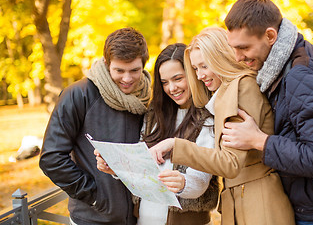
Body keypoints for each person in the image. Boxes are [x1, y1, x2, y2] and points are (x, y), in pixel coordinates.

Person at [221, 0, 313, 224]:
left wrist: (260, 141)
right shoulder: (284, 66)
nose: (237, 57)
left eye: (244, 47)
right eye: (233, 48)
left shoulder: (301, 74)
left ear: (270, 36)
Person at [150, 27, 294, 224]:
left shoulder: (243, 87)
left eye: (204, 66)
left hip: (259, 201)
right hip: (239, 199)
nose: (200, 75)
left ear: (220, 58)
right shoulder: (226, 92)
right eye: (195, 69)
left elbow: (230, 163)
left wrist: (176, 145)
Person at [95, 43, 219, 225]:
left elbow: (201, 180)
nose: (172, 88)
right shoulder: (153, 115)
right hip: (144, 219)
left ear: (193, 74)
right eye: (165, 82)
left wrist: (183, 183)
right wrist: (116, 169)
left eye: (178, 79)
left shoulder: (208, 119)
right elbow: (141, 167)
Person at [39, 27, 151, 225]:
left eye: (134, 70)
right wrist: (95, 196)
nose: (127, 79)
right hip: (92, 218)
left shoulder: (148, 97)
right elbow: (52, 158)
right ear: (107, 64)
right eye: (119, 71)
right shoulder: (77, 94)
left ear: (143, 64)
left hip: (139, 217)